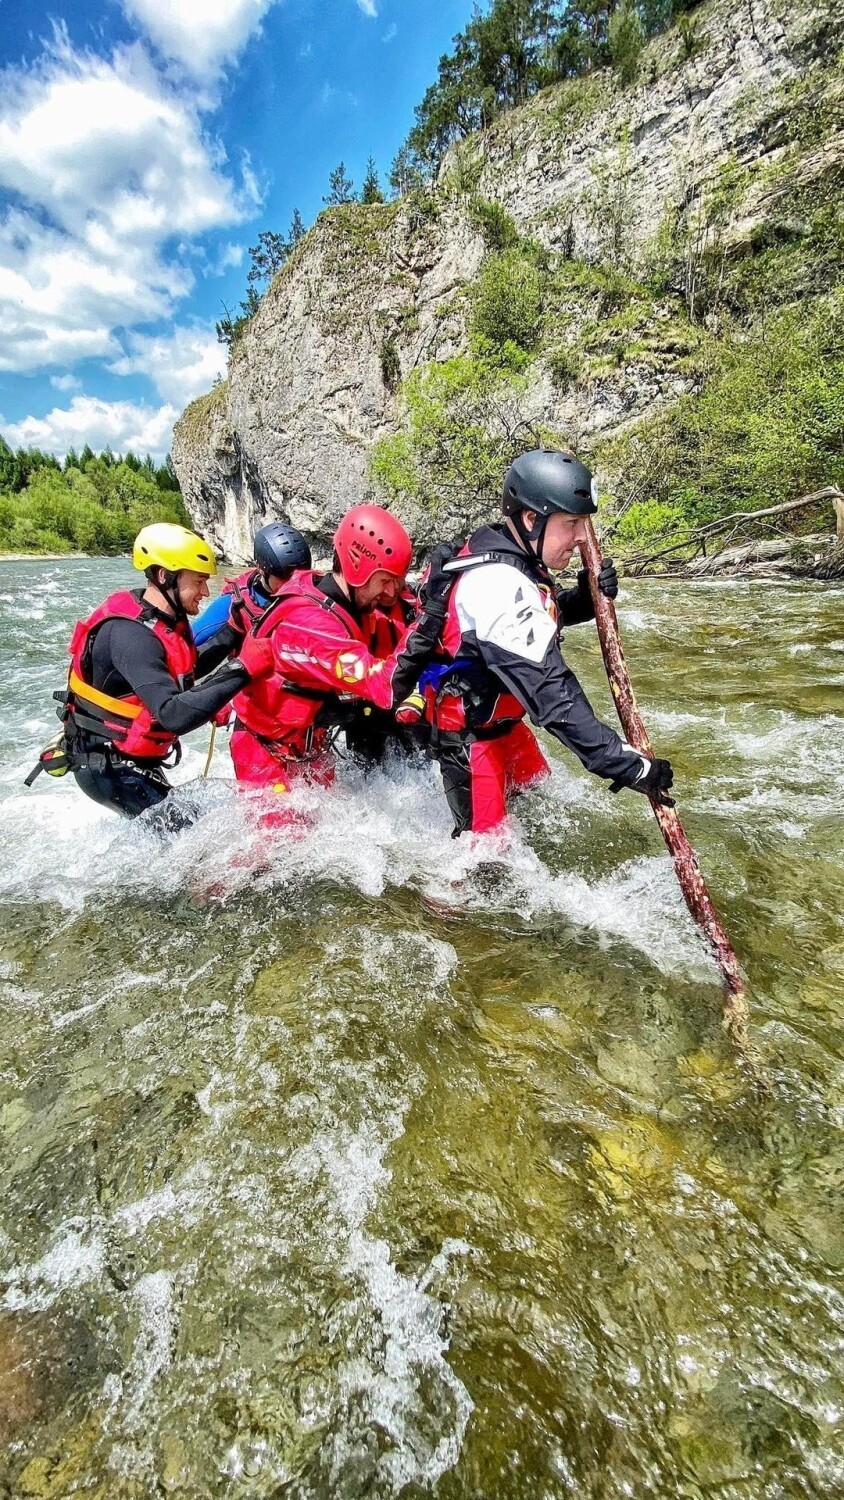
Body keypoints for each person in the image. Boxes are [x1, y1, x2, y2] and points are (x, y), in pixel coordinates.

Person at [419, 448, 675, 836]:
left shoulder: (516, 557)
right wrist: (629, 764)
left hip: (503, 724)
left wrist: (588, 599)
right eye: (571, 523)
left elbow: (544, 615)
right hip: (471, 739)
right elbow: (552, 695)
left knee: (541, 800)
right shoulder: (495, 584)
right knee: (485, 864)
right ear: (530, 519)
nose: (579, 538)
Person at [27, 523, 275, 819]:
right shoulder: (130, 635)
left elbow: (187, 670)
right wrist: (243, 668)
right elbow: (173, 715)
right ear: (164, 575)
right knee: (195, 843)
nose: (205, 591)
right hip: (109, 768)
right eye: (197, 581)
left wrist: (232, 632)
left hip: (128, 759)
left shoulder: (164, 619)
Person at [228, 504, 453, 793]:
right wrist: (430, 616)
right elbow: (384, 686)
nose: (391, 593)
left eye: (396, 582)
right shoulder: (312, 625)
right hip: (266, 752)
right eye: (385, 581)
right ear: (357, 566)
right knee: (285, 838)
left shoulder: (349, 601)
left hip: (312, 745)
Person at [191, 521, 312, 648]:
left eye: (300, 577)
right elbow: (188, 640)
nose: (293, 584)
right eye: (284, 577)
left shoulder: (320, 594)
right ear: (260, 568)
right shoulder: (234, 603)